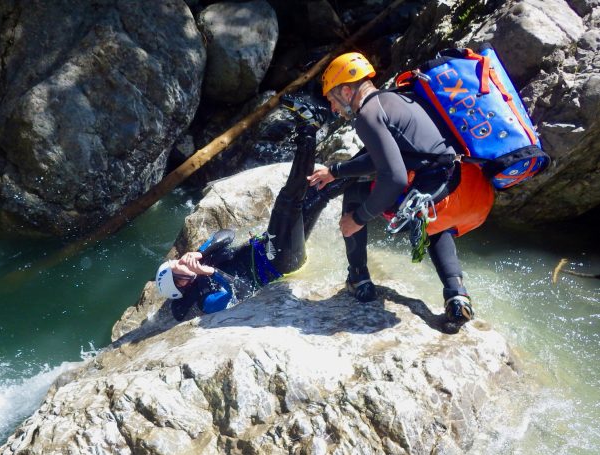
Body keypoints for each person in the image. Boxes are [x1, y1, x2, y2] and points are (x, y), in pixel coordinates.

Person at [307, 52, 494, 327]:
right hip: (468, 189)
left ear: (347, 91)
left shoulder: (368, 115)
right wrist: (334, 171)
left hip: (438, 197)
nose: (334, 109)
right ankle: (457, 296)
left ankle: (359, 278)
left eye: (333, 100)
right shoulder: (396, 98)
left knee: (357, 194)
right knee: (428, 215)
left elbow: (392, 177)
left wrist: (357, 220)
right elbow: (382, 157)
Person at [156, 96, 350, 321]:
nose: (182, 262)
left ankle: (370, 166)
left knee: (320, 194)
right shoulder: (205, 300)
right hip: (277, 260)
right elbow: (242, 291)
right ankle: (309, 128)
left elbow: (226, 235)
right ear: (180, 283)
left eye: (176, 262)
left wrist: (200, 253)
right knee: (289, 199)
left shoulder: (201, 259)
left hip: (275, 247)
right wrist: (210, 273)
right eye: (178, 268)